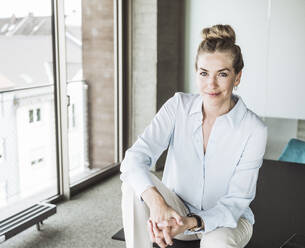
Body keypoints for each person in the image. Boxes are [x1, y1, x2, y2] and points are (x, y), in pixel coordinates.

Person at [120, 24, 267, 248]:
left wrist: (193, 222)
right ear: (196, 72)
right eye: (204, 73)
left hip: (228, 221)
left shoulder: (254, 129)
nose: (211, 84)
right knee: (133, 186)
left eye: (223, 74)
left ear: (237, 77)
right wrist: (157, 202)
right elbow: (133, 159)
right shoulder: (178, 105)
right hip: (176, 212)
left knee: (215, 242)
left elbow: (237, 201)